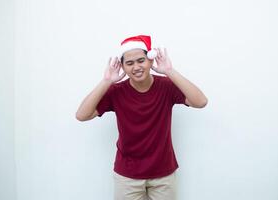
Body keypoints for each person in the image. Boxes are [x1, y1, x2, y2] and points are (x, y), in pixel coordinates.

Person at [76, 35, 208, 200]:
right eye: (129, 63)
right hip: (127, 175)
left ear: (151, 61)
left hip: (163, 173)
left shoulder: (166, 86)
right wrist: (106, 81)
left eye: (141, 60)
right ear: (122, 67)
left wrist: (169, 71)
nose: (136, 67)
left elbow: (201, 102)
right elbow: (82, 115)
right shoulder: (116, 91)